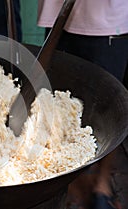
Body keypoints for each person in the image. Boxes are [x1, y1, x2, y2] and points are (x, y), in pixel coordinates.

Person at [38, 1, 128, 209]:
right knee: (59, 105)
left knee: (109, 109)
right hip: (58, 16)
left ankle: (102, 183)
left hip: (108, 23)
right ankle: (70, 183)